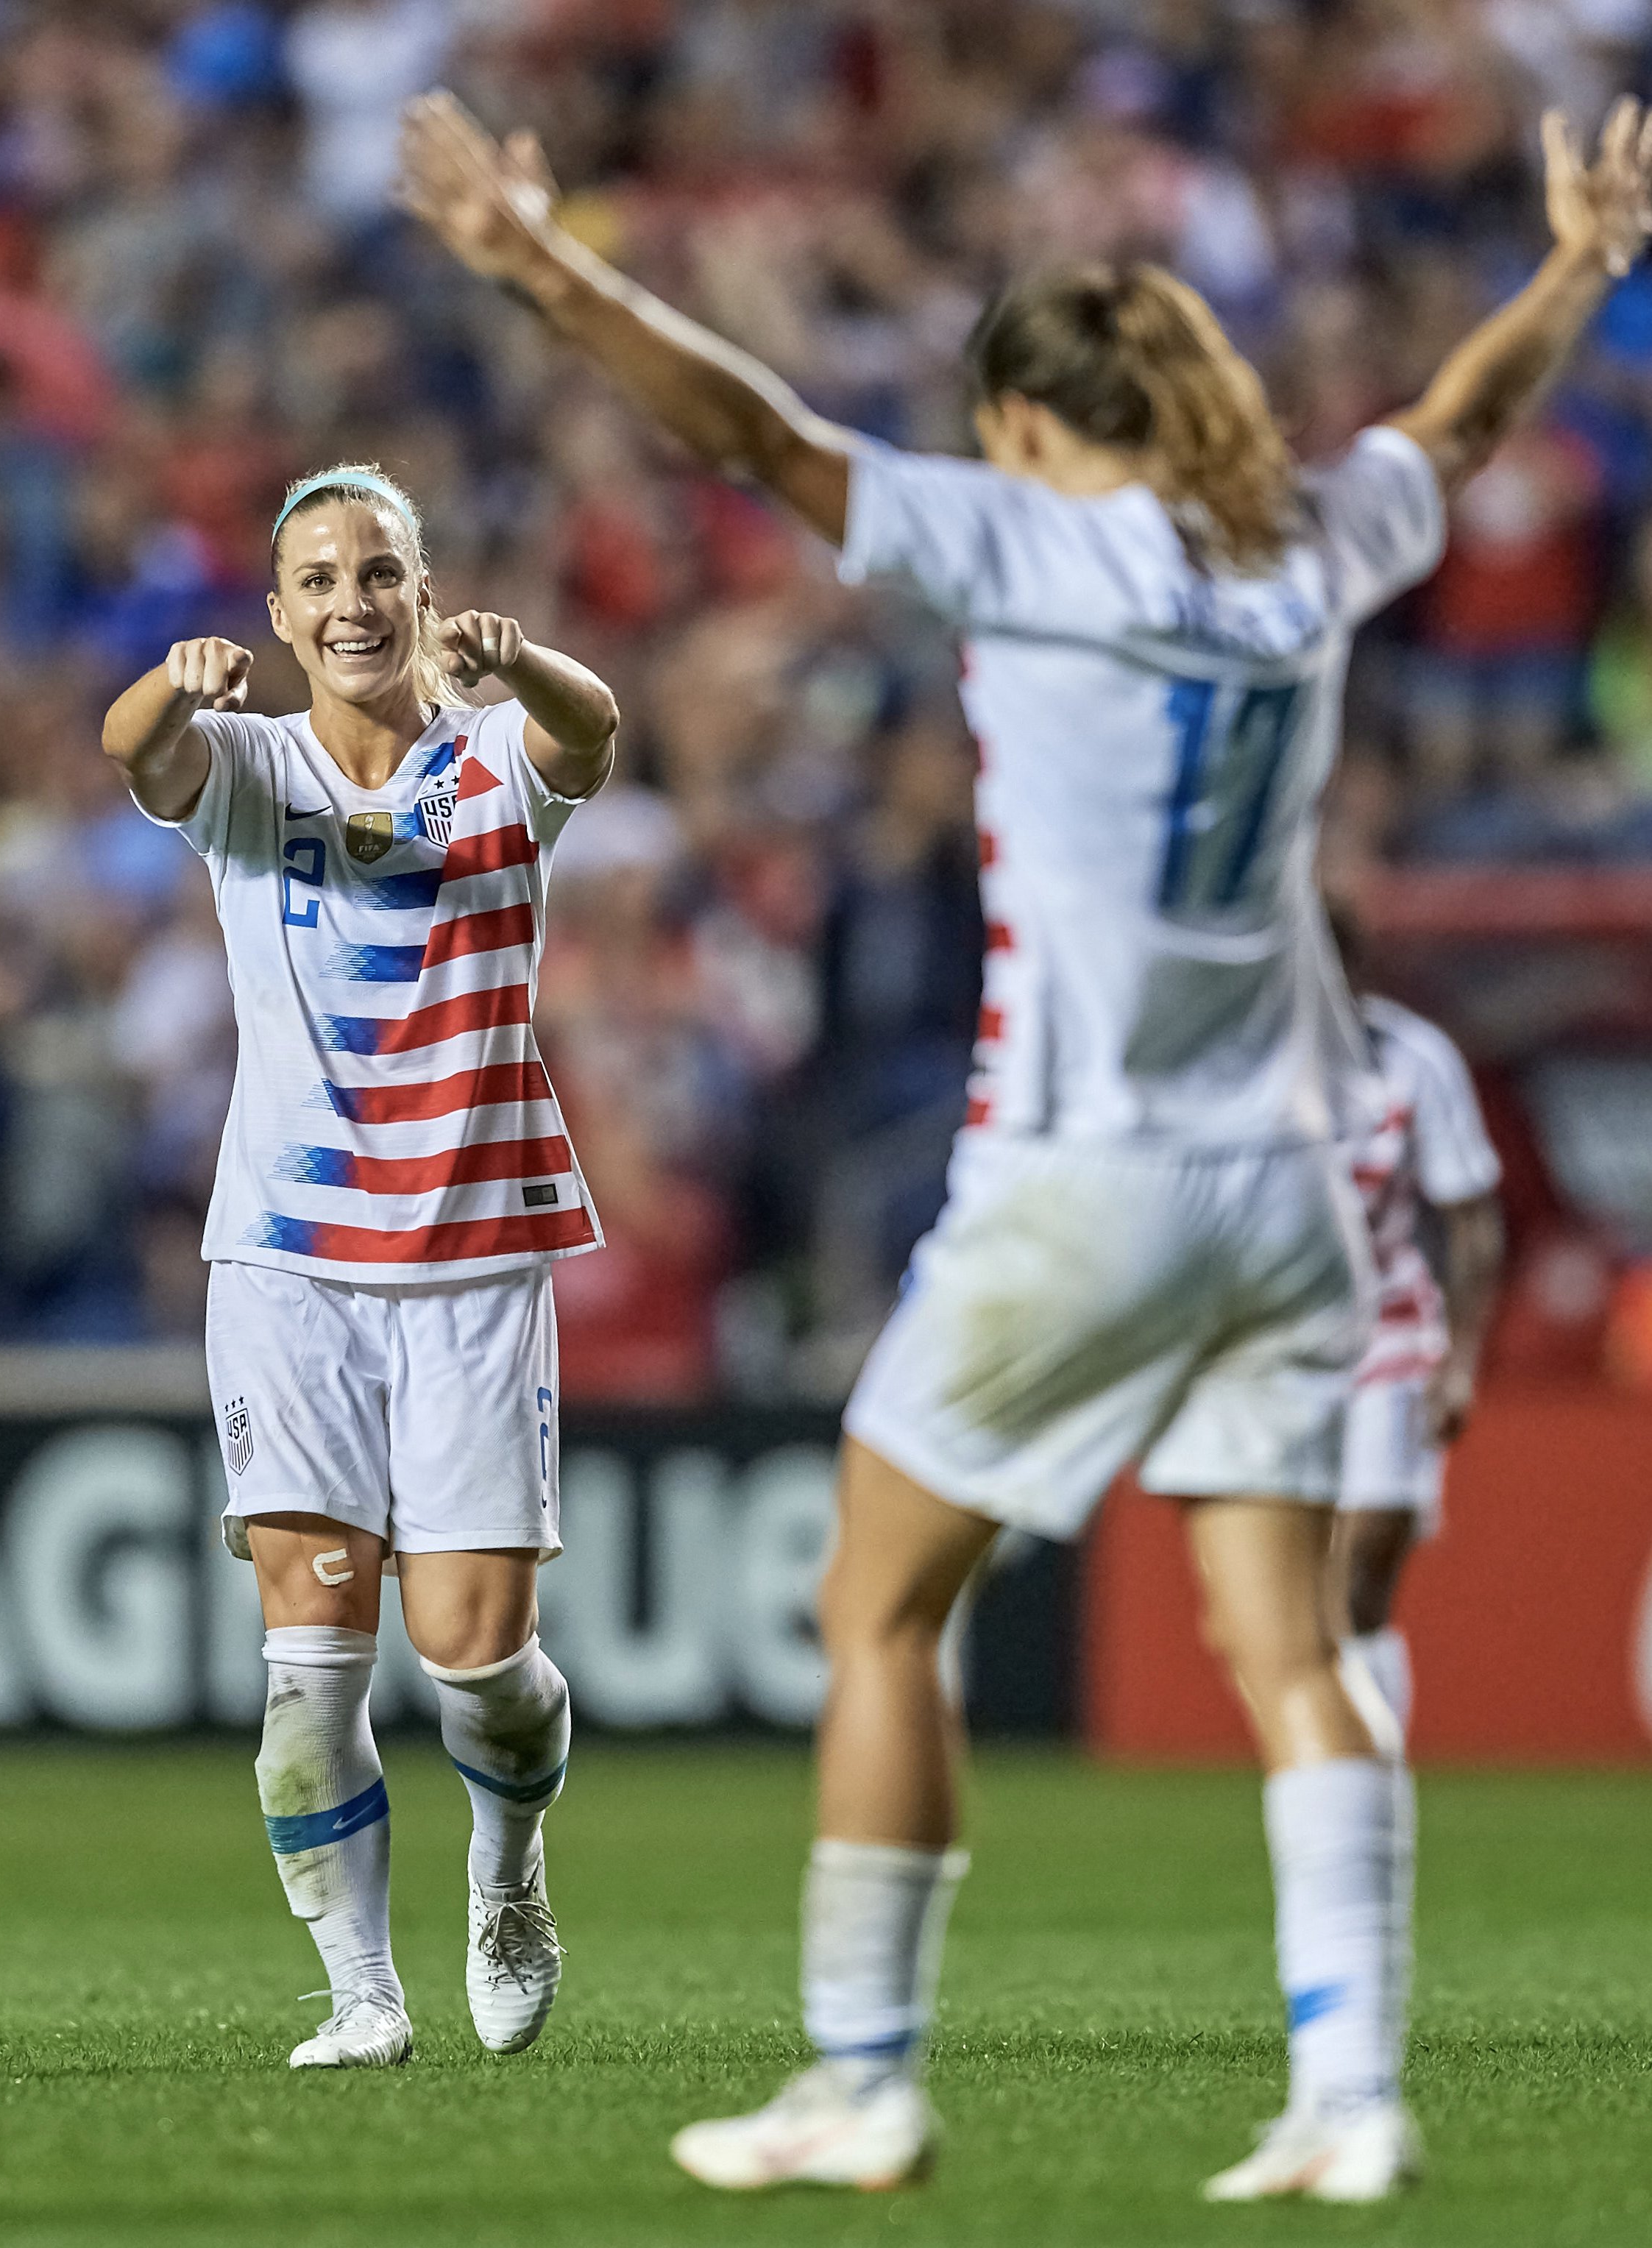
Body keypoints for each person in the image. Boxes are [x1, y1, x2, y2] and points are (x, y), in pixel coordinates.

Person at [400, 90, 1652, 2199]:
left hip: (1081, 1170)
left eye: (995, 426)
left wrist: (538, 267)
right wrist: (1584, 262)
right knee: (1295, 1649)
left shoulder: (1022, 539)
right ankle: (1347, 2096)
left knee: (876, 1609)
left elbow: (751, 431)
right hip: (1285, 1172)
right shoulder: (1308, 540)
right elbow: (1450, 421)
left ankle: (861, 2072)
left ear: (1031, 424)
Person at [100, 463, 617, 2068]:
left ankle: (511, 1873)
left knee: (480, 1672)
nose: (351, 603)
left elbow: (591, 734)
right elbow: (131, 752)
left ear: (421, 585)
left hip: (470, 1259)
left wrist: (521, 661)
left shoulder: (490, 758)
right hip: (289, 1265)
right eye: (317, 579)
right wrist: (162, 687)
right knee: (307, 1679)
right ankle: (361, 1996)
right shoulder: (245, 766)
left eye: (378, 572)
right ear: (277, 614)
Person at [1327, 912, 1505, 1740]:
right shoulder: (1239, 1062)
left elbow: (1470, 1215)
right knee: (1290, 1590)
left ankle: (1370, 1764)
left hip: (1390, 1334)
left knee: (1363, 1563)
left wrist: (1461, 1359)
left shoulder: (1413, 1058)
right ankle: (1324, 1764)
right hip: (1275, 1340)